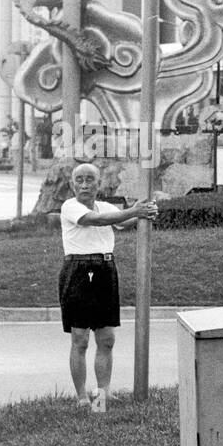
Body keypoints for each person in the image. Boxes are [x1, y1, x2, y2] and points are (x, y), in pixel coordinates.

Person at [58, 163, 158, 409]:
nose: (84, 184)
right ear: (73, 184)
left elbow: (123, 222)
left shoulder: (106, 206)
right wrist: (133, 211)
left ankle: (103, 393)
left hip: (105, 270)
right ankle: (82, 397)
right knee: (80, 339)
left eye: (90, 179)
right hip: (78, 271)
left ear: (98, 183)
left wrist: (145, 211)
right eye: (79, 179)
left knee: (106, 338)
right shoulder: (70, 206)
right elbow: (97, 220)